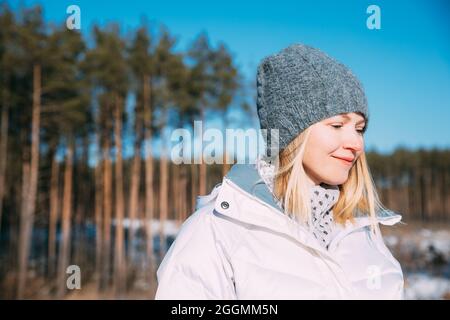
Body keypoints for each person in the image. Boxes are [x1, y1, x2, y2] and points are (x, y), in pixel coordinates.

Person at [155, 43, 404, 299]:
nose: (357, 144)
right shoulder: (216, 230)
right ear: (293, 135)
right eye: (338, 125)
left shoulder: (363, 233)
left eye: (359, 128)